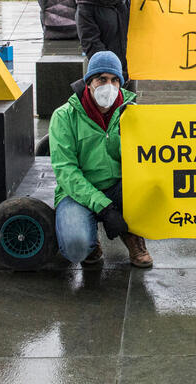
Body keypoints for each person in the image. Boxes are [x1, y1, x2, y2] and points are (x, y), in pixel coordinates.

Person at [49, 50, 152, 268]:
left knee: (150, 193)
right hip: (76, 192)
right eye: (102, 79)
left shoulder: (131, 113)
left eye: (115, 80)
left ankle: (134, 237)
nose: (109, 86)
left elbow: (144, 161)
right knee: (75, 247)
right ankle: (90, 241)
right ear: (89, 82)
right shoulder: (64, 116)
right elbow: (66, 171)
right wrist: (104, 209)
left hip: (119, 186)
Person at [75, 0, 131, 85]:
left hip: (129, 71)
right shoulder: (86, 4)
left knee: (128, 105)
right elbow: (90, 41)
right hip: (104, 74)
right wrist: (112, 70)